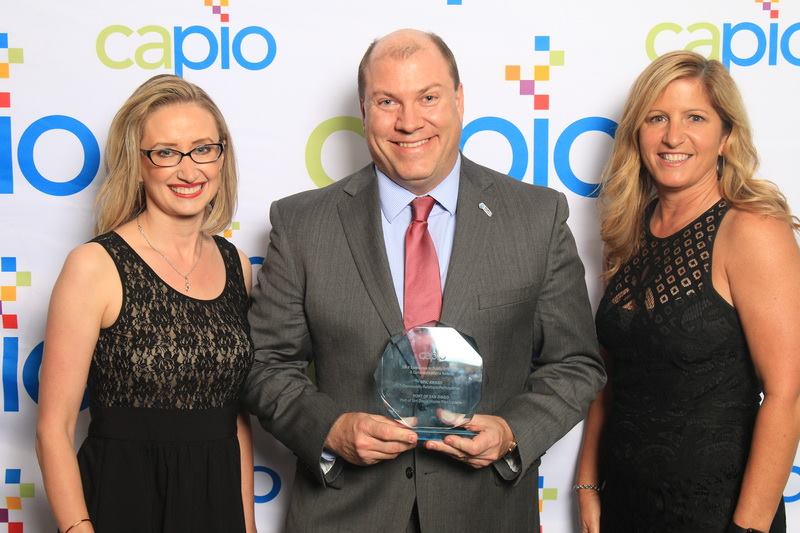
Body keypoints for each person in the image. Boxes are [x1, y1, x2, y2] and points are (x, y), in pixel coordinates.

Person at [243, 29, 605, 532]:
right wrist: (330, 430)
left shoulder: (535, 218)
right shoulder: (302, 225)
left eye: (428, 97)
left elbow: (575, 363)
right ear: (364, 110)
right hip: (346, 515)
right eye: (387, 101)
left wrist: (512, 433)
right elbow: (264, 365)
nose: (409, 121)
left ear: (459, 100)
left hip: (487, 514)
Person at [576, 50, 800, 533]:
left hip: (716, 514)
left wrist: (749, 528)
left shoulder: (752, 230)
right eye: (657, 118)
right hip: (624, 505)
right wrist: (588, 483)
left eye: (694, 117)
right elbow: (609, 376)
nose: (673, 136)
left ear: (726, 136)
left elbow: (788, 393)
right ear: (638, 132)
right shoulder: (628, 229)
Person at [35, 75, 256, 533]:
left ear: (221, 156)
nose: (189, 170)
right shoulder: (94, 266)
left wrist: (247, 525)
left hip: (216, 509)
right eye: (166, 152)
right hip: (122, 503)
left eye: (202, 149)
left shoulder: (236, 264)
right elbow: (52, 431)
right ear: (137, 165)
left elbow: (234, 417)